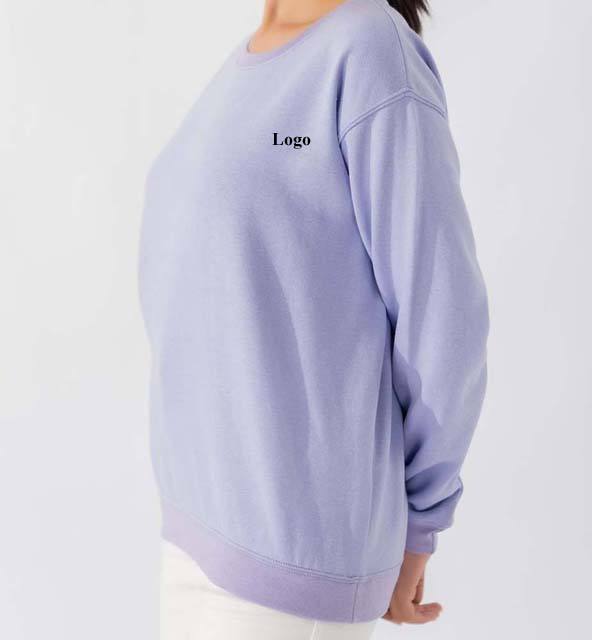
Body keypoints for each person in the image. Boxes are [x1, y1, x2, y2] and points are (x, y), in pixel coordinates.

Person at [137, 0, 490, 637]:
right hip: (194, 536)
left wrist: (420, 520)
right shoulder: (248, 57)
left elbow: (443, 315)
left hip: (289, 563)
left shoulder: (369, 48)